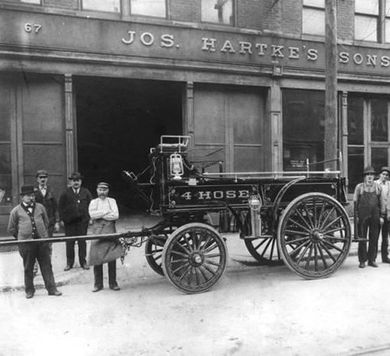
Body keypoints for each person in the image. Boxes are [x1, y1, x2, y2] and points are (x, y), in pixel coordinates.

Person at [7, 185, 62, 299]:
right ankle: (29, 290)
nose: (31, 198)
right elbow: (11, 228)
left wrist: (43, 235)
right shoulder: (15, 211)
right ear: (22, 197)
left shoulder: (40, 207)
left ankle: (52, 289)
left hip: (41, 243)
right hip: (26, 244)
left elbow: (46, 222)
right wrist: (21, 237)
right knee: (28, 267)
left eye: (32, 195)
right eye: (28, 196)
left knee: (46, 266)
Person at [88, 182, 122, 292]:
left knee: (111, 257)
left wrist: (100, 215)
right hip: (97, 232)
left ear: (108, 191)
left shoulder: (112, 201)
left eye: (105, 189)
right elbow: (92, 215)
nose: (102, 192)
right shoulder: (93, 202)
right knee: (97, 258)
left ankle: (113, 283)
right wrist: (106, 212)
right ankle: (98, 284)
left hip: (110, 231)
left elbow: (115, 215)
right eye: (100, 189)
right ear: (97, 190)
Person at [58, 172, 92, 271]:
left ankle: (83, 262)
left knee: (82, 242)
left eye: (78, 180)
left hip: (82, 222)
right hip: (70, 223)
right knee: (70, 243)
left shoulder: (86, 192)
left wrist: (90, 218)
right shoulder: (65, 193)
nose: (76, 182)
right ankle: (69, 263)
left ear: (81, 181)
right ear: (71, 182)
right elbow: (60, 207)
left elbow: (91, 205)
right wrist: (61, 219)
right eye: (74, 180)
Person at [354, 166, 383, 268]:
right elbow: (355, 203)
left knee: (374, 238)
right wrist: (356, 216)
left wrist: (382, 216)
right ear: (364, 177)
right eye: (367, 175)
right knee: (362, 238)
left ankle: (372, 260)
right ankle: (362, 260)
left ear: (374, 176)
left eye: (371, 175)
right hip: (362, 216)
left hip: (375, 215)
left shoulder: (378, 187)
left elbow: (381, 203)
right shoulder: (359, 187)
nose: (370, 177)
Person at [33, 169, 60, 275]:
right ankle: (34, 267)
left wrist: (57, 221)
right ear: (37, 179)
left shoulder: (51, 190)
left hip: (49, 222)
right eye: (40, 177)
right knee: (36, 244)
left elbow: (55, 207)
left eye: (44, 177)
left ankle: (48, 265)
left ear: (47, 179)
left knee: (48, 245)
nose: (43, 179)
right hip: (37, 222)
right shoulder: (34, 192)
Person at [375, 166, 390, 263]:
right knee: (375, 237)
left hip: (387, 214)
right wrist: (379, 216)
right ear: (380, 174)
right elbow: (375, 201)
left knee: (385, 237)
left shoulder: (389, 184)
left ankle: (385, 257)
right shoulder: (375, 184)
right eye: (383, 174)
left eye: (386, 175)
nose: (384, 176)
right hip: (377, 215)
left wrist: (389, 213)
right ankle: (372, 258)